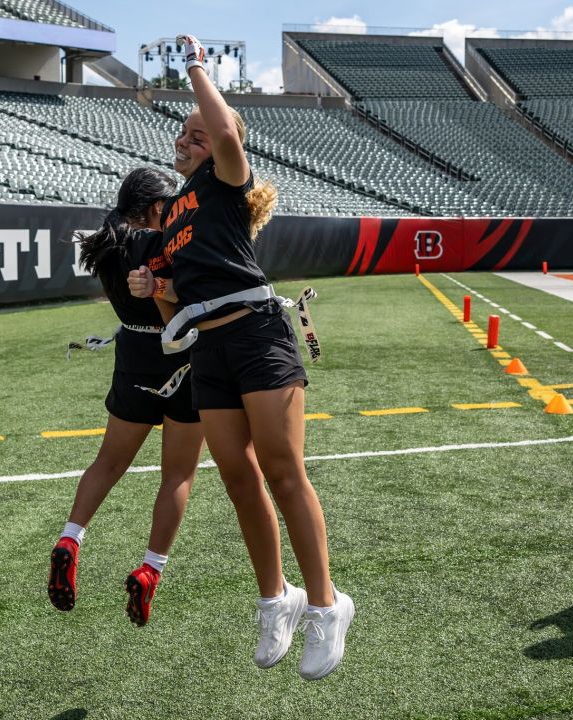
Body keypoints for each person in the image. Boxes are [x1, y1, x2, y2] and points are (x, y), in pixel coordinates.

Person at [127, 35, 354, 680]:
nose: (190, 138)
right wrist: (156, 291)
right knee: (236, 478)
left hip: (258, 336)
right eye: (185, 134)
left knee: (283, 473)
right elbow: (174, 315)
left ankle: (326, 605)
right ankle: (274, 599)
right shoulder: (171, 213)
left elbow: (226, 130)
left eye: (200, 132)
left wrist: (196, 68)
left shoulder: (225, 182)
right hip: (210, 349)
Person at [48, 167, 208, 627]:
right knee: (177, 474)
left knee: (108, 463)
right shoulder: (162, 244)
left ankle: (70, 539)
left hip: (134, 358)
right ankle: (150, 570)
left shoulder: (105, 245)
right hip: (182, 360)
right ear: (158, 207)